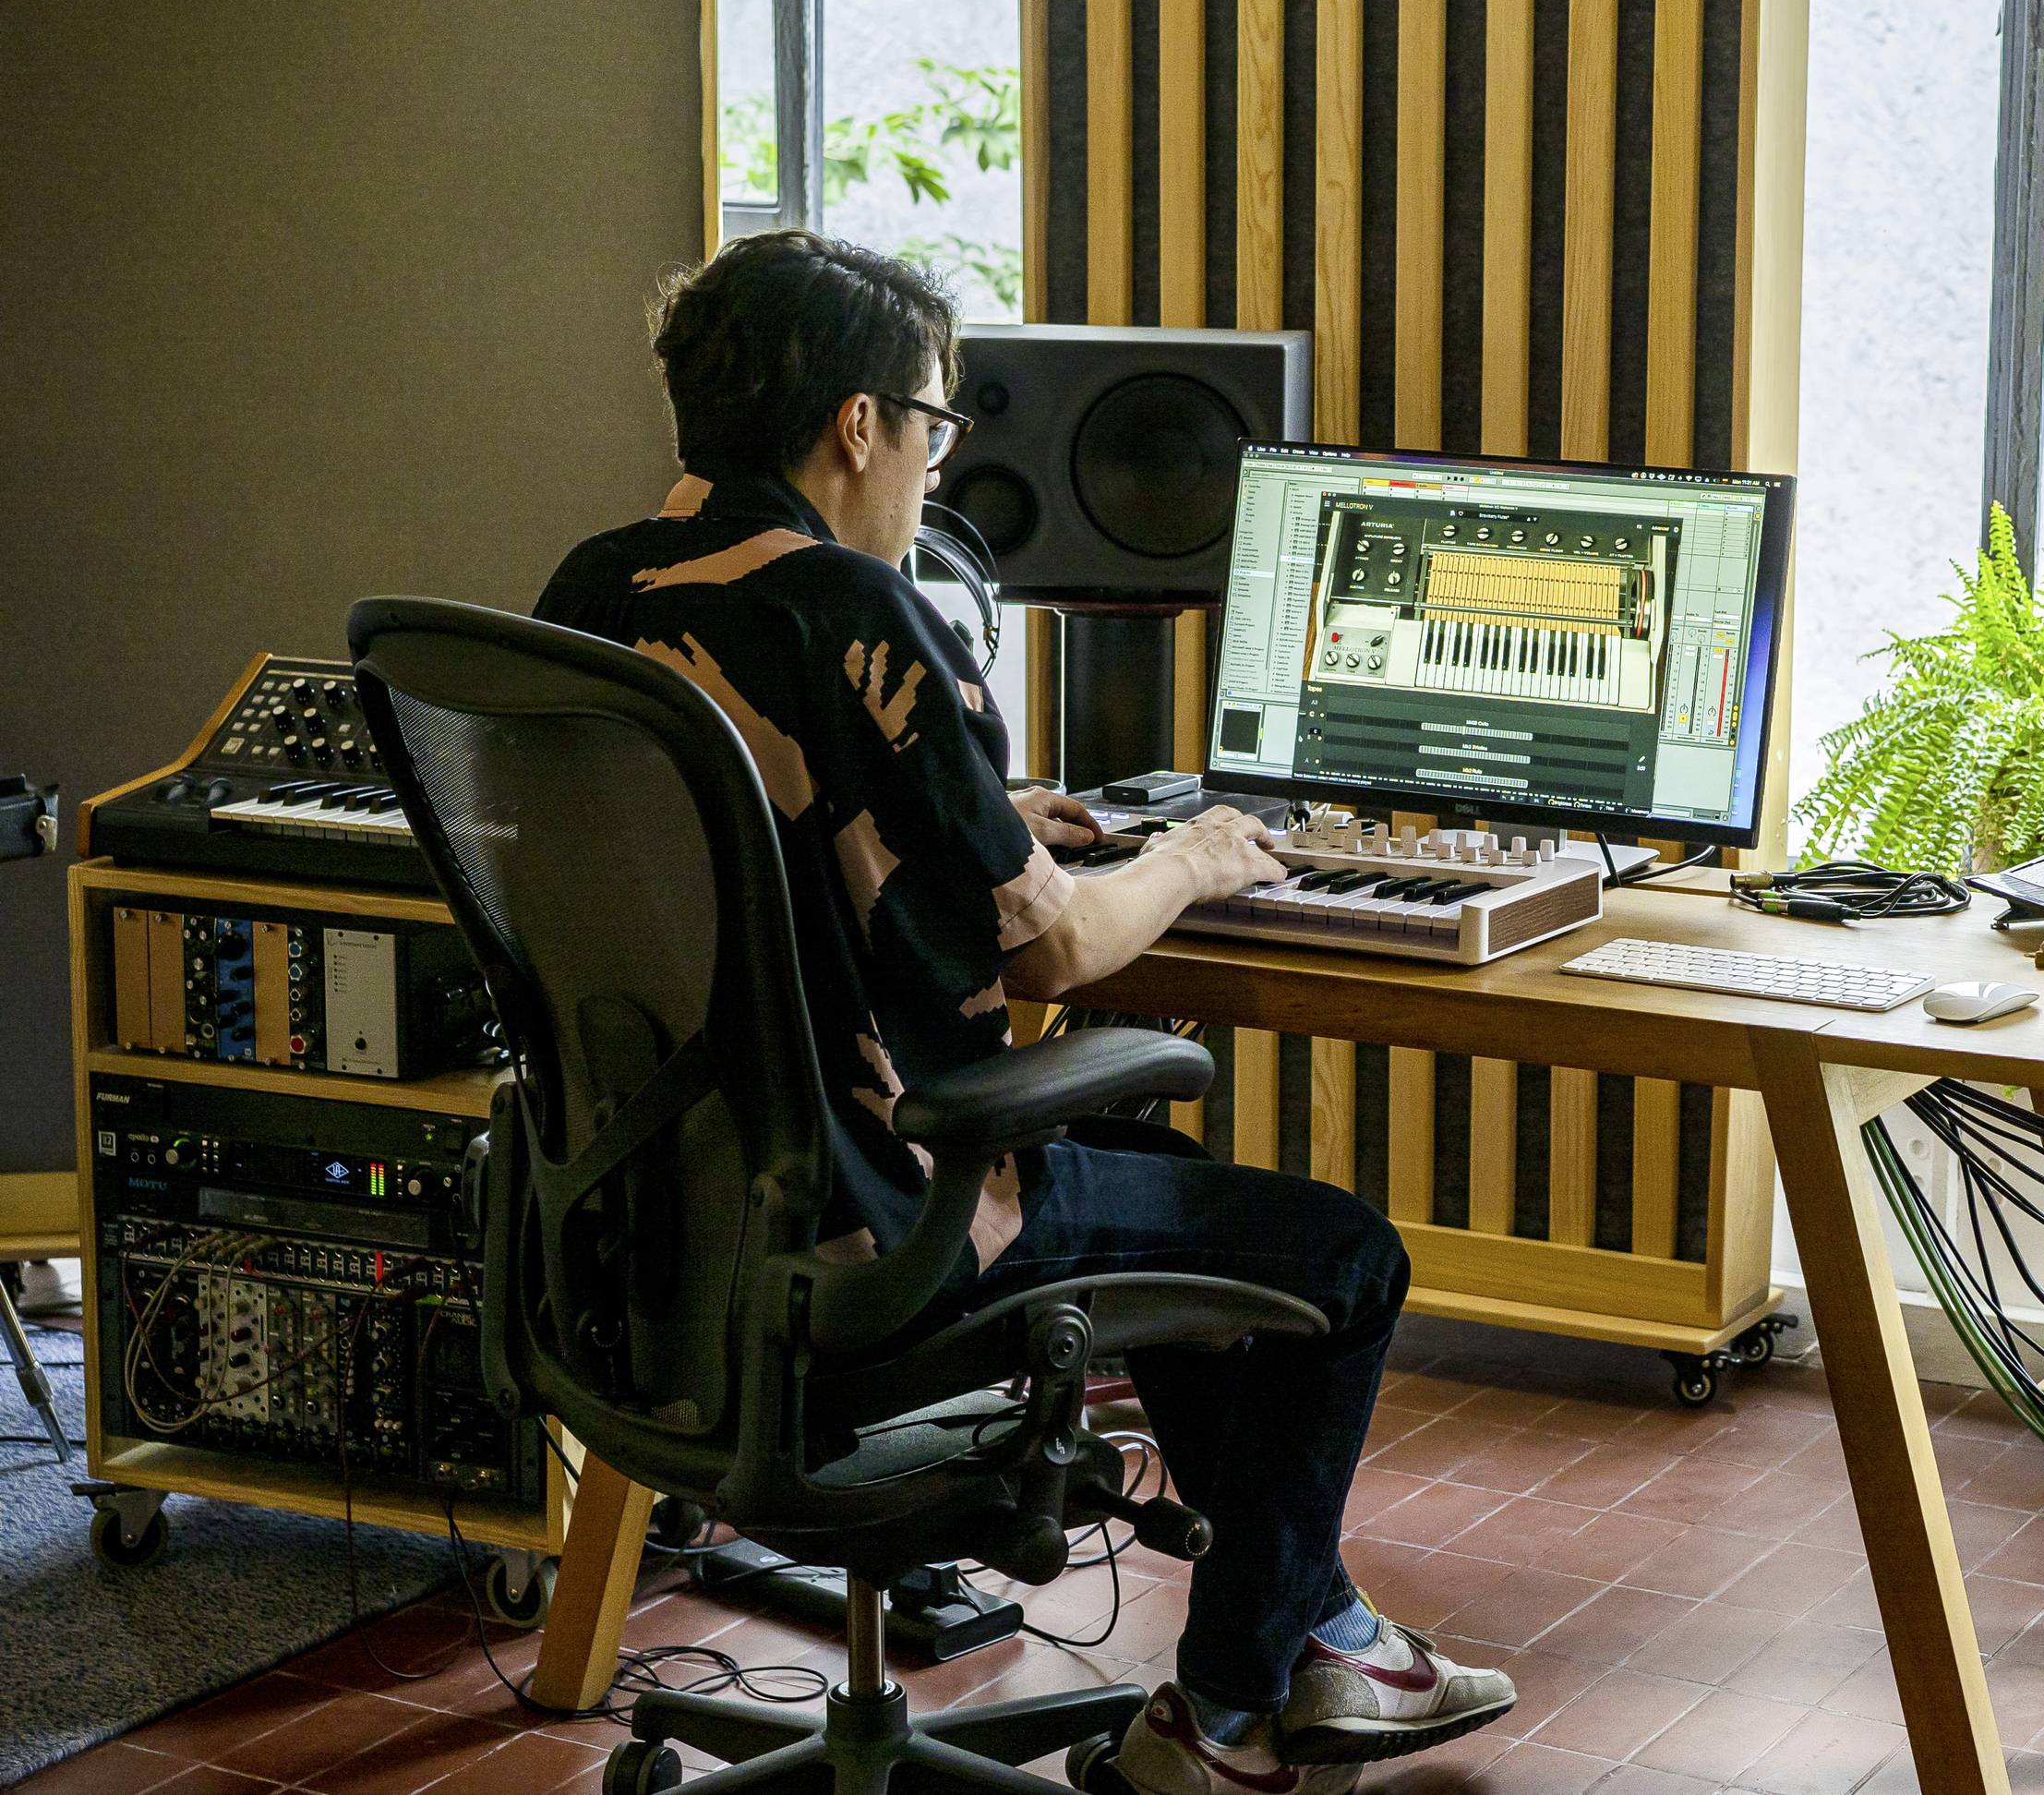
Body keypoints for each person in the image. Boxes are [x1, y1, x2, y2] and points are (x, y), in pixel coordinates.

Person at [534, 231, 1512, 1795]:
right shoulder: (858, 604)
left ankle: (1313, 1624)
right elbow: (1054, 959)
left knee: (1142, 1171)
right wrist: (1189, 856)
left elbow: (749, 832)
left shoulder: (587, 589)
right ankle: (1233, 1711)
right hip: (880, 1221)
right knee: (1343, 1255)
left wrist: (981, 814)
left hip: (666, 1230)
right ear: (858, 424)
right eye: (935, 421)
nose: (935, 459)